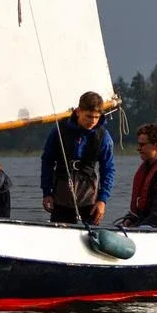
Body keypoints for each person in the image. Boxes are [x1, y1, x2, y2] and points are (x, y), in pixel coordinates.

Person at [40, 91, 115, 225]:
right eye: (89, 116)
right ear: (78, 111)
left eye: (97, 117)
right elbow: (47, 161)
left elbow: (108, 169)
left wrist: (102, 200)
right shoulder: (59, 130)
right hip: (61, 197)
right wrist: (47, 192)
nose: (92, 121)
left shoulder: (103, 136)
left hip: (89, 199)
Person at [120, 122, 157, 228]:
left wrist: (137, 228)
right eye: (139, 145)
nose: (139, 149)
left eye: (142, 145)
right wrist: (130, 218)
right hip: (144, 223)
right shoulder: (147, 169)